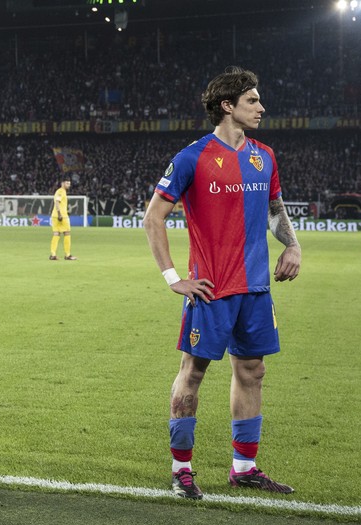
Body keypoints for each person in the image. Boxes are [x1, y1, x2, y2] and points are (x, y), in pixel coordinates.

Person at [142, 66, 301, 500]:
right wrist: (174, 277)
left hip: (255, 289)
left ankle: (244, 468)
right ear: (228, 106)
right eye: (253, 100)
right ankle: (181, 470)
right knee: (192, 373)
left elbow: (273, 208)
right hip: (211, 289)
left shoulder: (263, 155)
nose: (261, 108)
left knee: (253, 370)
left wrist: (292, 245)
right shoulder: (192, 157)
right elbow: (153, 217)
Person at [50, 179, 77, 260]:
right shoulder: (61, 191)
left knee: (56, 234)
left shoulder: (59, 191)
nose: (69, 185)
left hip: (55, 216)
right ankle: (67, 255)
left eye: (69, 184)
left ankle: (53, 254)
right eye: (67, 183)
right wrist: (59, 214)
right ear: (62, 183)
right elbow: (57, 202)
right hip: (61, 216)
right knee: (67, 233)